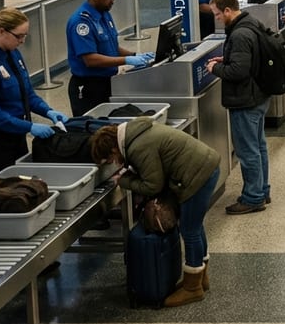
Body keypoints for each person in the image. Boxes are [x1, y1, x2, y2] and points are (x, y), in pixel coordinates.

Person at [90, 118, 220, 307]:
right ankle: (200, 277)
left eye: (110, 160)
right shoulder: (136, 133)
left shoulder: (137, 147)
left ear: (113, 149)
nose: (114, 163)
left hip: (197, 175)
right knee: (195, 226)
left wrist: (123, 181)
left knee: (190, 230)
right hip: (205, 166)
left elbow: (153, 185)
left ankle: (193, 288)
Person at [0, 8, 68, 175]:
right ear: (1, 31)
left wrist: (47, 111)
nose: (22, 41)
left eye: (25, 35)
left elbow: (26, 93)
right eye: (19, 36)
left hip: (14, 132)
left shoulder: (13, 54)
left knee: (21, 181)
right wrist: (29, 126)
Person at [206, 0, 271, 214]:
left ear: (227, 10)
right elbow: (248, 58)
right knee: (259, 147)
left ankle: (253, 198)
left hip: (245, 100)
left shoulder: (239, 34)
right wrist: (228, 58)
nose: (216, 18)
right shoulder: (250, 22)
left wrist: (215, 68)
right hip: (259, 96)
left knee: (248, 151)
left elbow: (239, 72)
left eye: (217, 14)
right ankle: (262, 189)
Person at [66, 0, 151, 116]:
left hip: (108, 81)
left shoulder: (104, 14)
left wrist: (135, 55)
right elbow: (90, 59)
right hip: (88, 87)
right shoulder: (81, 23)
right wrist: (126, 60)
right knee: (92, 126)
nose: (112, 1)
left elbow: (111, 47)